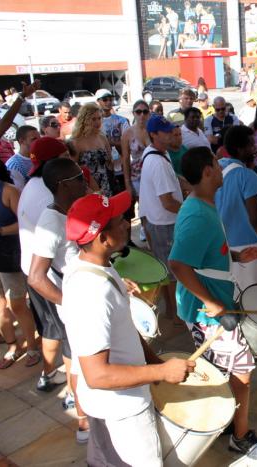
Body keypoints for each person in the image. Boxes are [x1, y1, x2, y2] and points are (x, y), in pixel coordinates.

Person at [62, 190, 194, 466]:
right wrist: (162, 371)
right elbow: (96, 374)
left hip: (114, 405)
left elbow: (120, 329)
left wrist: (153, 360)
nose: (127, 223)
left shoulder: (93, 266)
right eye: (120, 220)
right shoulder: (92, 293)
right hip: (121, 412)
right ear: (102, 238)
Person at [168, 146, 257, 460]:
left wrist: (238, 255)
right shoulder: (198, 215)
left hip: (211, 305)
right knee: (242, 369)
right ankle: (240, 437)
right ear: (206, 172)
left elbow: (203, 253)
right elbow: (178, 263)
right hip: (206, 312)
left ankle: (225, 420)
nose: (220, 169)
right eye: (216, 165)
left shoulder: (205, 204)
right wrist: (212, 304)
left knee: (223, 370)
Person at [28, 158, 89, 440]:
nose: (85, 179)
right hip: (76, 308)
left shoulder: (70, 210)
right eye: (79, 177)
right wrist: (70, 303)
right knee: (78, 362)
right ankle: (84, 423)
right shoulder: (50, 222)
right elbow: (36, 278)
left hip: (89, 300)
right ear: (64, 185)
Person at [17, 137, 72, 386]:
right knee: (71, 336)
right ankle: (75, 395)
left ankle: (47, 375)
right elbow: (58, 240)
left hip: (34, 272)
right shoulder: (46, 195)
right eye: (66, 157)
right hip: (48, 278)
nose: (71, 161)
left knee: (51, 327)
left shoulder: (34, 185)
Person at [217, 126, 257, 292]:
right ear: (239, 149)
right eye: (251, 145)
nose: (255, 148)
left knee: (234, 294)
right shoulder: (247, 176)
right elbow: (255, 218)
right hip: (248, 245)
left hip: (223, 244)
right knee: (255, 296)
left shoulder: (219, 167)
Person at [139, 115, 183, 323]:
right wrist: (191, 212)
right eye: (165, 132)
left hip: (156, 221)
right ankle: (176, 315)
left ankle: (171, 312)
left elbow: (172, 183)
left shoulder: (156, 154)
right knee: (173, 272)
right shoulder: (157, 161)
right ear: (154, 134)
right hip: (164, 223)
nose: (170, 134)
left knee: (166, 271)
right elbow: (168, 202)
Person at [0, 175, 39, 369]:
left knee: (16, 304)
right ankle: (12, 345)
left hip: (9, 257)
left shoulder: (8, 191)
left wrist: (1, 231)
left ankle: (32, 346)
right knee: (0, 306)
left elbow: (24, 223)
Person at [71, 103, 117, 196]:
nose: (97, 122)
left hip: (105, 186)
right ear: (84, 120)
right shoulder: (76, 141)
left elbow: (109, 161)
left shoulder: (102, 137)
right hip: (87, 190)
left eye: (99, 118)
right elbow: (72, 169)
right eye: (93, 119)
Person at [96, 89, 130, 194]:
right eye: (105, 99)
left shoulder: (122, 120)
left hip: (122, 168)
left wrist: (112, 143)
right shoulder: (94, 123)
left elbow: (128, 143)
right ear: (98, 101)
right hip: (104, 169)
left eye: (110, 99)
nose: (108, 102)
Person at [121, 100, 150, 197]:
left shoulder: (153, 130)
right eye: (138, 112)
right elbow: (125, 160)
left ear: (149, 113)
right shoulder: (127, 134)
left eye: (145, 112)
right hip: (137, 176)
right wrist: (127, 183)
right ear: (133, 113)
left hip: (153, 173)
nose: (142, 115)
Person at [6, 125, 40, 190]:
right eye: (34, 139)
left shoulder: (38, 157)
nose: (38, 142)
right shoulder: (14, 165)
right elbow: (19, 194)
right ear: (22, 141)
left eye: (39, 139)